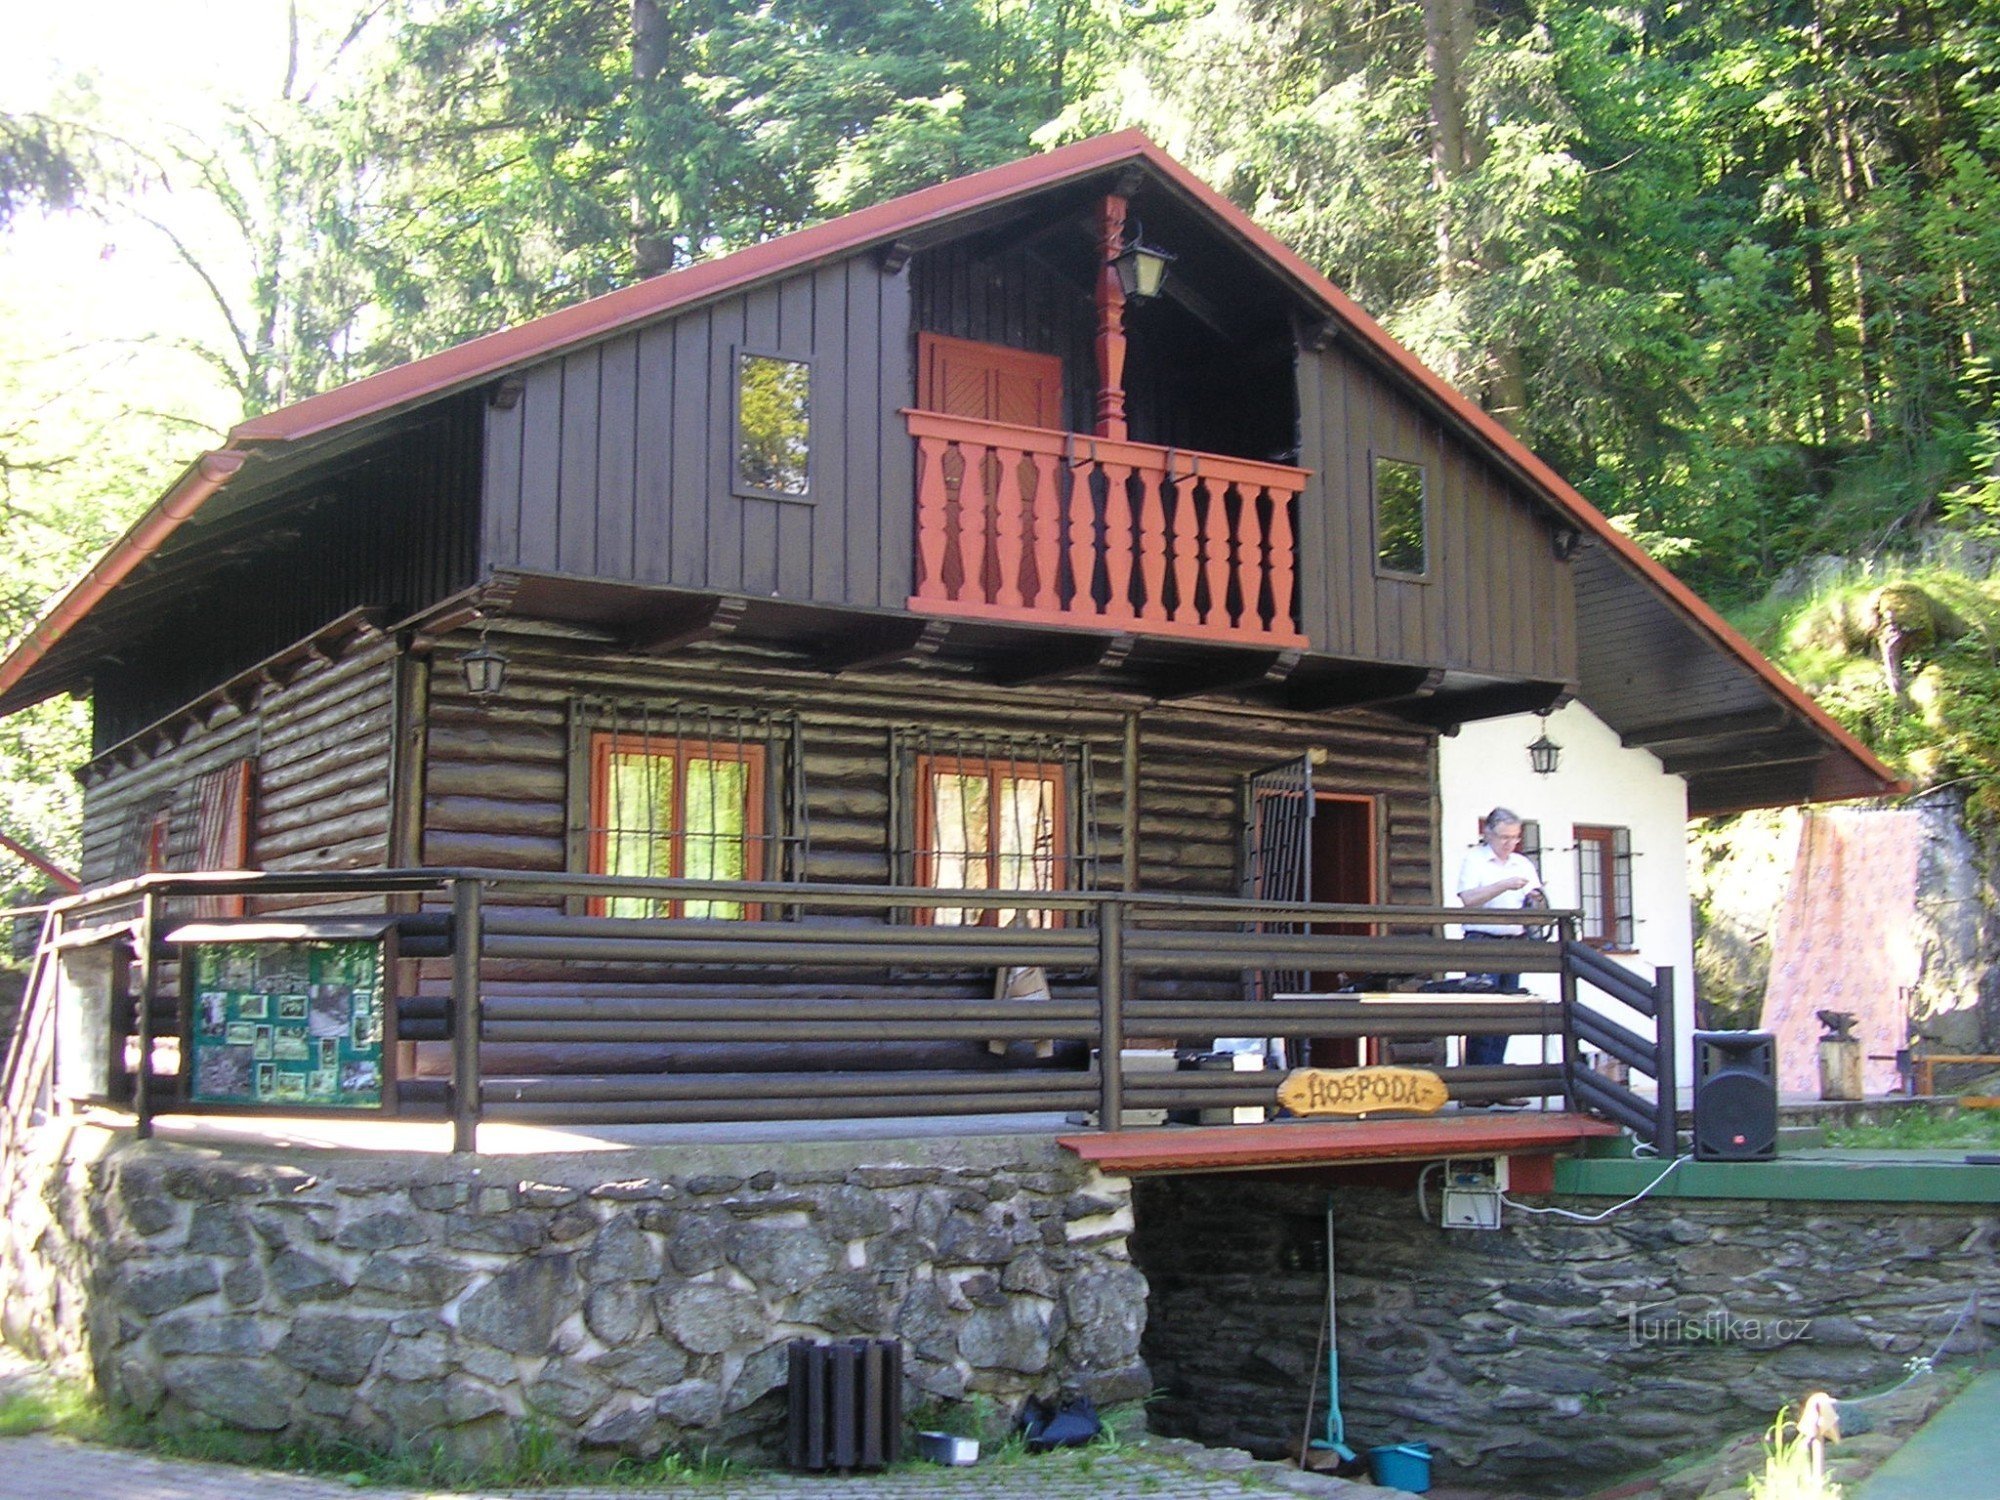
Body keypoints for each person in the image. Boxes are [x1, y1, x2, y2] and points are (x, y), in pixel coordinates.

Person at [1455, 807, 1543, 1072]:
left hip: (1514, 943)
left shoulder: (1523, 863)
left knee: (1508, 1012)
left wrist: (1536, 901)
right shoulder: (1475, 859)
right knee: (1483, 1012)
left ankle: (1497, 1078)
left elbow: (1536, 902)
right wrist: (1503, 884)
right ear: (1488, 833)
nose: (1509, 844)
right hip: (1482, 941)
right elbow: (1468, 899)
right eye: (1504, 837)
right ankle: (1478, 1082)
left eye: (1515, 838)